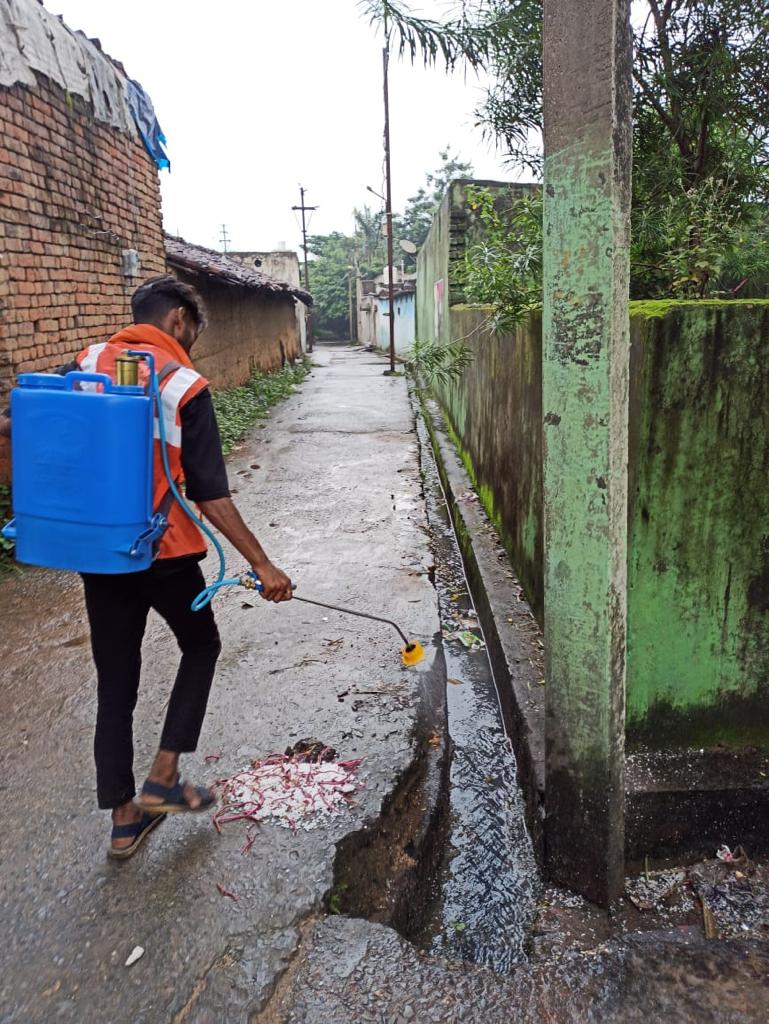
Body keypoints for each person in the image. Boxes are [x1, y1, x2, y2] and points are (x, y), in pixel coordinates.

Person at [0, 276, 293, 858]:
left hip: (98, 550)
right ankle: (163, 775)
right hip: (162, 551)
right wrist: (263, 565)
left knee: (116, 678)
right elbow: (210, 495)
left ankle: (124, 819)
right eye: (195, 332)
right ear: (180, 320)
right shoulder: (184, 382)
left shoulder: (81, 361)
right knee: (201, 645)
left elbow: (27, 433)